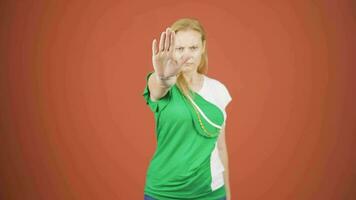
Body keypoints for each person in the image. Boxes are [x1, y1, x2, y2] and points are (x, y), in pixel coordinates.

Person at [142, 18, 232, 200]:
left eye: (193, 48)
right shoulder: (159, 83)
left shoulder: (218, 90)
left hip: (211, 192)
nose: (187, 55)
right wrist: (163, 77)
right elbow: (160, 85)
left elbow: (221, 148)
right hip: (164, 192)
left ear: (203, 47)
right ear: (171, 51)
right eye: (180, 49)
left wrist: (228, 195)